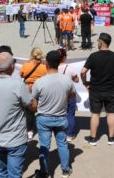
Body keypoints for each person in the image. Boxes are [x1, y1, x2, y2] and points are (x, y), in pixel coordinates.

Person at [0, 52, 32, 178]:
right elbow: (32, 106)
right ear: (12, 67)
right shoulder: (18, 84)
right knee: (14, 174)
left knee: (1, 171)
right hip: (16, 139)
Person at [31, 50, 75, 178]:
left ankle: (44, 172)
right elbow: (71, 95)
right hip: (61, 117)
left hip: (44, 118)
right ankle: (65, 170)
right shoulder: (67, 80)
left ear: (47, 64)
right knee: (62, 144)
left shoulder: (40, 82)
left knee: (44, 146)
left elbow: (34, 102)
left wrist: (36, 109)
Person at [81, 33, 114, 146]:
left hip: (96, 89)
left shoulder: (94, 56)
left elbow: (83, 71)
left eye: (98, 41)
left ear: (102, 42)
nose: (97, 43)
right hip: (111, 89)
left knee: (95, 114)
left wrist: (85, 82)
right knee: (111, 114)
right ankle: (111, 138)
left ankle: (93, 138)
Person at [20, 47, 47, 141]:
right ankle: (43, 129)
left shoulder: (26, 65)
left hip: (28, 88)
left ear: (32, 55)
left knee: (29, 112)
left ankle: (30, 132)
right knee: (41, 109)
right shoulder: (44, 67)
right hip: (40, 88)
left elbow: (21, 74)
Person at [58, 48, 79, 142]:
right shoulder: (69, 68)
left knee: (59, 114)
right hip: (69, 94)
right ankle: (69, 135)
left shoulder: (52, 68)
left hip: (57, 94)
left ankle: (59, 133)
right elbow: (77, 80)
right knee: (70, 114)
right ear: (65, 57)